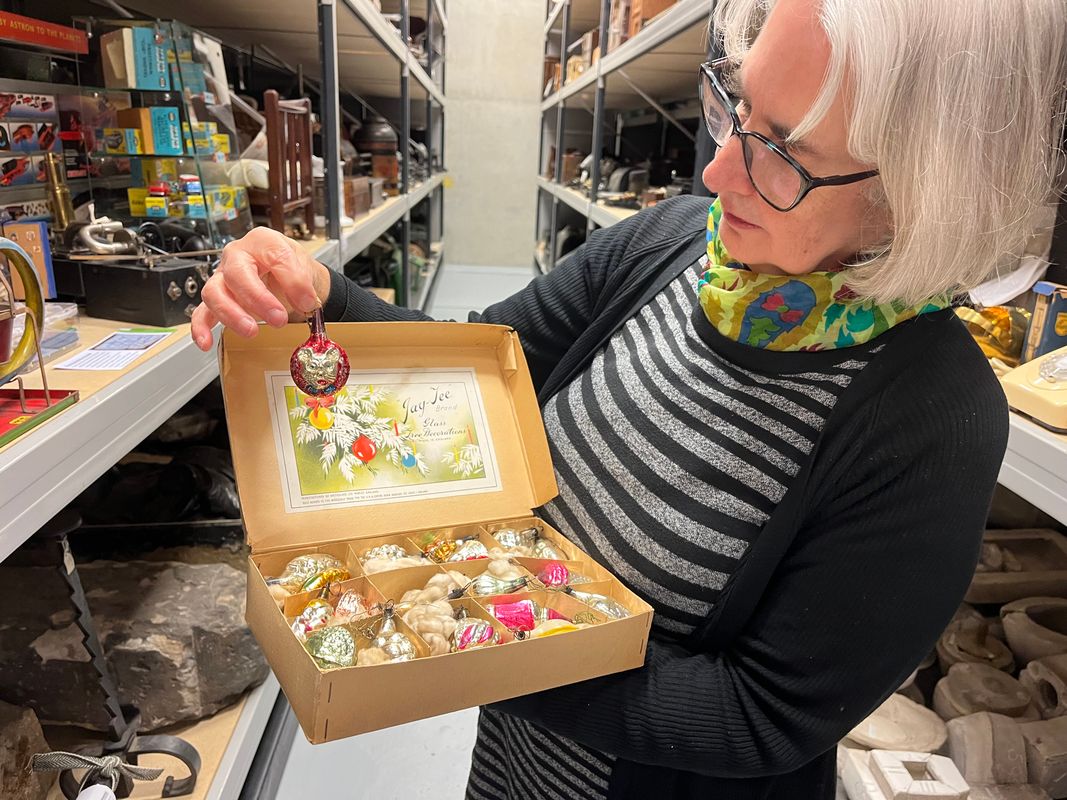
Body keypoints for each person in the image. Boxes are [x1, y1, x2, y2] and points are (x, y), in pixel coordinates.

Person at [192, 0, 1067, 796]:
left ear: (921, 189)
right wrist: (321, 298)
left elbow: (761, 716)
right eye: (737, 108)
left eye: (783, 155)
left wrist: (465, 648)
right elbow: (475, 376)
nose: (718, 172)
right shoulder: (669, 245)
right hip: (513, 767)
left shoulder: (931, 419)